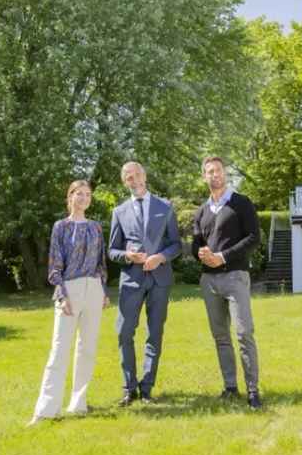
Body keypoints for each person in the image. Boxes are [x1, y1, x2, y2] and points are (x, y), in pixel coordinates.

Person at [28, 180, 110, 425]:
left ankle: (78, 404)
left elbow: (101, 263)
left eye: (88, 194)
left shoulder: (96, 227)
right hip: (70, 289)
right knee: (59, 349)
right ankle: (45, 410)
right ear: (70, 197)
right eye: (79, 194)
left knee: (88, 349)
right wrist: (62, 295)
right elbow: (55, 265)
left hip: (94, 289)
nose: (84, 198)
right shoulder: (60, 227)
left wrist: (103, 290)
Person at [108, 162, 181, 406]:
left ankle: (147, 387)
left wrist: (160, 257)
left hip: (160, 280)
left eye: (137, 174)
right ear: (124, 182)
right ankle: (129, 388)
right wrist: (127, 256)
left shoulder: (165, 207)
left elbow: (176, 245)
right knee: (124, 332)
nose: (134, 179)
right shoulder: (119, 211)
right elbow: (112, 251)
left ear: (145, 176)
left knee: (155, 333)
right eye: (129, 177)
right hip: (131, 280)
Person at [192, 156, 262, 409]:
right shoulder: (201, 211)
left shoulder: (241, 203)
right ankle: (230, 387)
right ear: (204, 177)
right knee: (221, 336)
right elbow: (196, 244)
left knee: (244, 332)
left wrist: (222, 257)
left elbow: (254, 238)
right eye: (209, 172)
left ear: (225, 173)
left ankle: (253, 390)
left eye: (218, 170)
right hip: (209, 280)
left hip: (235, 277)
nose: (214, 175)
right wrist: (201, 254)